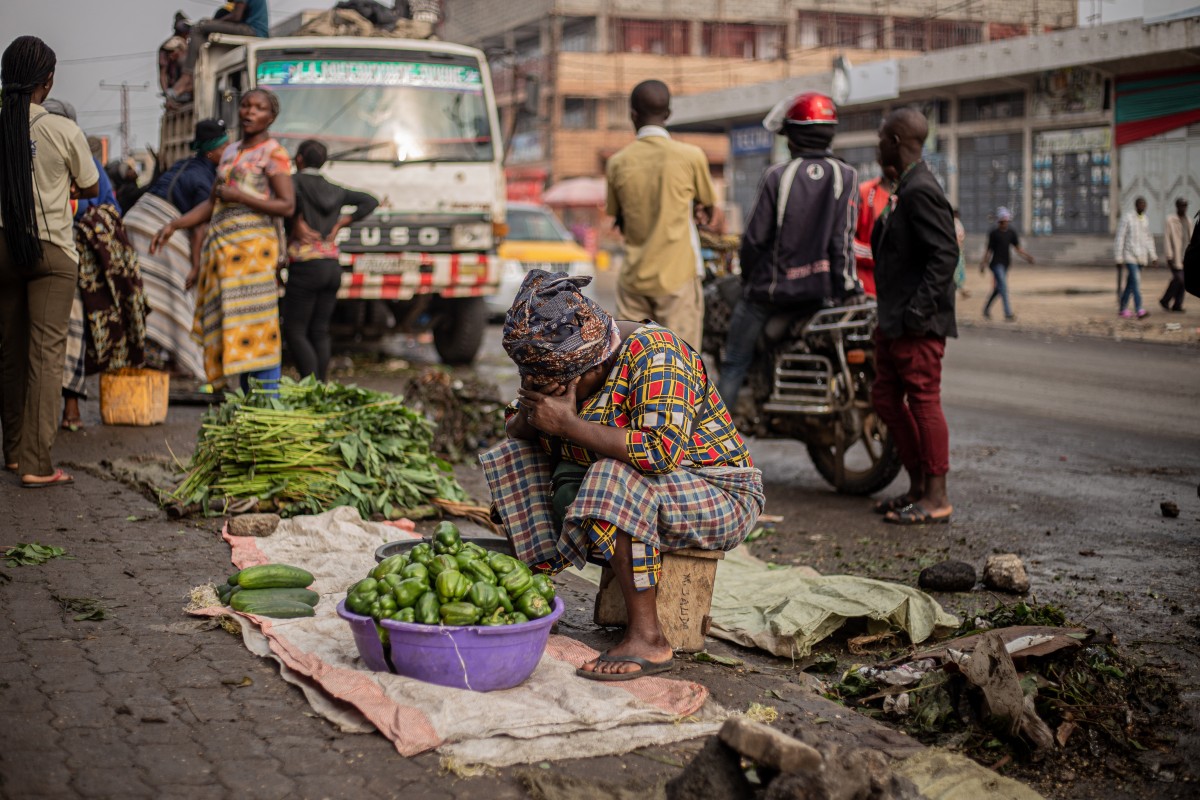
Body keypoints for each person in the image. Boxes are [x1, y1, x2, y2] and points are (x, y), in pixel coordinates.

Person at [481, 270, 763, 679]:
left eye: (556, 385)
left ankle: (648, 639)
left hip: (719, 493)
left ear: (592, 366)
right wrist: (532, 413)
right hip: (647, 490)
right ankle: (535, 596)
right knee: (514, 456)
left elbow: (660, 452)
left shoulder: (659, 355)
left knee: (612, 475)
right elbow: (516, 427)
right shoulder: (561, 354)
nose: (547, 390)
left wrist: (569, 426)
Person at [717, 92, 860, 411]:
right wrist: (846, 289)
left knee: (734, 361)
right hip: (819, 294)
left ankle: (711, 434)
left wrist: (749, 279)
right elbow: (842, 241)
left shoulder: (777, 175)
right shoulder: (846, 175)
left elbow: (754, 240)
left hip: (770, 294)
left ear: (793, 137)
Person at [0, 35, 99, 487]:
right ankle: (36, 464)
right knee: (45, 356)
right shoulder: (62, 129)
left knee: (10, 352)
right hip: (52, 251)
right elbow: (91, 185)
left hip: (3, 250)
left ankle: (12, 454)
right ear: (48, 80)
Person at [150, 89, 294, 392]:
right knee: (235, 327)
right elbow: (211, 203)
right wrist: (175, 224)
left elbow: (287, 205)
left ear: (271, 117)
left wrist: (240, 196)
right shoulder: (230, 152)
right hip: (224, 253)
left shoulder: (273, 153)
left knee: (258, 324)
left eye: (259, 108)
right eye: (246, 105)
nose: (250, 112)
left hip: (254, 253)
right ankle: (246, 399)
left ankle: (267, 398)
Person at [869, 107, 958, 525]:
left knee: (923, 402)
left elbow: (945, 254)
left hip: (916, 324)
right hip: (894, 321)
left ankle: (936, 496)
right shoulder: (904, 186)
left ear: (894, 142)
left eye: (881, 139)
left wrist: (918, 312)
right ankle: (918, 486)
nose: (877, 147)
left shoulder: (921, 188)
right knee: (885, 399)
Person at [42, 98, 146, 434]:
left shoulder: (80, 158)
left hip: (72, 253)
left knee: (72, 326)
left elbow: (104, 205)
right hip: (49, 249)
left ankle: (69, 406)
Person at [605, 80, 716, 351]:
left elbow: (618, 218)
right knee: (680, 360)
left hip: (633, 279)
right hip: (678, 278)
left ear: (633, 115)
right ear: (668, 114)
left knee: (631, 359)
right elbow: (709, 210)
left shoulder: (617, 162)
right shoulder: (691, 156)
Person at [124, 118, 228, 380]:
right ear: (211, 152)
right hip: (156, 227)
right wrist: (196, 266)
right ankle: (180, 357)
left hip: (135, 221)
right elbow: (199, 226)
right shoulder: (205, 179)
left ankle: (155, 355)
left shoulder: (184, 164)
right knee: (177, 291)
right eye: (224, 147)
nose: (228, 151)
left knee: (149, 294)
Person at [285, 139, 378, 380]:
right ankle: (321, 385)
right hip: (332, 266)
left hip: (305, 266)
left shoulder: (293, 183)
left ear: (299, 159)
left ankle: (310, 384)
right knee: (319, 330)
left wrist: (296, 222)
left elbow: (288, 204)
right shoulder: (335, 189)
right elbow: (370, 200)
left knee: (295, 330)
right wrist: (341, 223)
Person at [170, 0, 269, 103]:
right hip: (257, 31)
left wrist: (213, 22)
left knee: (199, 27)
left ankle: (187, 76)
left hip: (253, 31)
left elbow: (236, 16)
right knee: (205, 29)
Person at [979, 207, 1034, 321]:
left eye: (1006, 221)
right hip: (996, 264)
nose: (1005, 223)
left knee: (999, 288)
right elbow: (988, 250)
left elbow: (1018, 248)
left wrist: (1028, 257)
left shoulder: (1011, 233)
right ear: (999, 221)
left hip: (1006, 264)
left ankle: (986, 309)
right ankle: (1008, 313)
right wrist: (983, 263)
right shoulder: (994, 233)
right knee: (1003, 287)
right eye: (1003, 221)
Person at [1114, 196, 1157, 320]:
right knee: (1136, 281)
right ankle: (1139, 309)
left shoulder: (1145, 220)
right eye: (1140, 204)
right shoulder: (1128, 218)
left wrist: (1153, 256)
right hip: (1130, 256)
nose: (1142, 206)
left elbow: (1149, 239)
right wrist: (1118, 257)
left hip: (1141, 257)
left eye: (1144, 204)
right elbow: (1120, 237)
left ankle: (1122, 308)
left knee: (1130, 284)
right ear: (1136, 205)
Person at [853, 175, 891, 297]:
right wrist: (879, 255)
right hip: (868, 288)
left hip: (900, 290)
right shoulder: (865, 191)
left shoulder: (914, 192)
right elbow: (846, 242)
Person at [1160, 198, 1190, 313]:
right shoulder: (1170, 220)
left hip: (1185, 256)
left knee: (1183, 281)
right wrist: (1169, 255)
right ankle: (1165, 300)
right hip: (1175, 256)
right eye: (1182, 205)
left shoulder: (1188, 221)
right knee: (1179, 279)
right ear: (1177, 206)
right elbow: (1167, 238)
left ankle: (1177, 304)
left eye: (1185, 206)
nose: (1184, 208)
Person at [952, 208, 968, 299]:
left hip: (956, 249)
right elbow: (959, 236)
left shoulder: (954, 223)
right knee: (957, 270)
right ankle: (958, 289)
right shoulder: (956, 223)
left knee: (957, 270)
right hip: (957, 249)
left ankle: (959, 288)